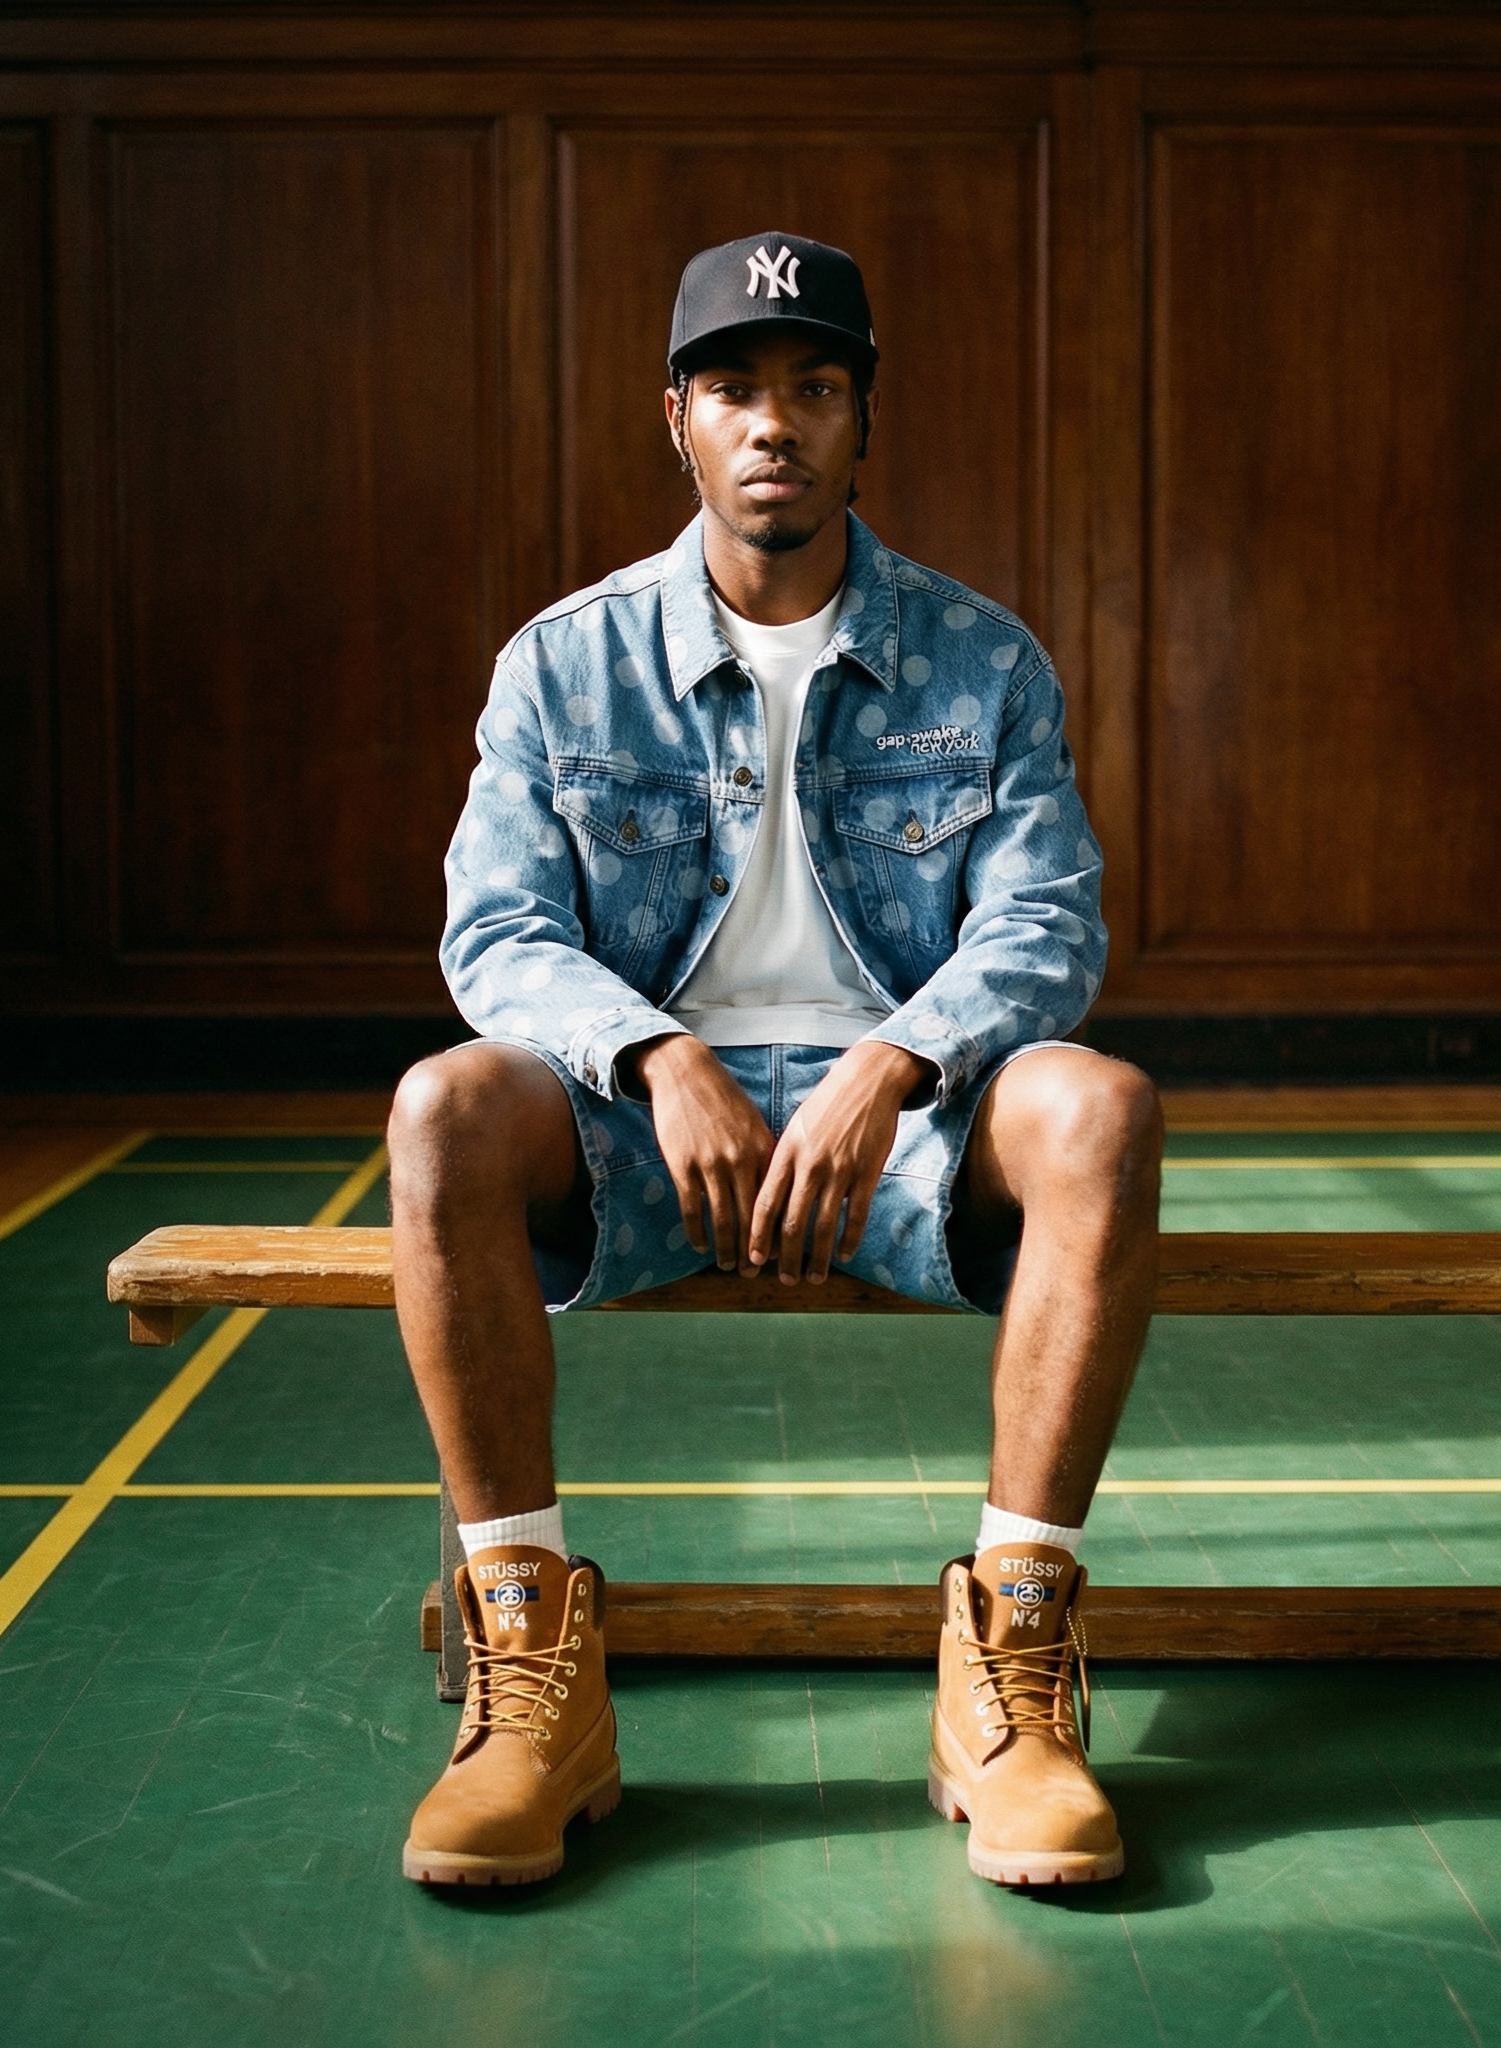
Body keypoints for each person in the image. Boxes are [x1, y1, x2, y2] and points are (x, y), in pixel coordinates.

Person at [388, 233, 1162, 1890]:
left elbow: (1048, 927)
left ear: (862, 420)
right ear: (676, 417)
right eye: (734, 388)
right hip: (636, 1130)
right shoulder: (565, 663)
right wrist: (656, 1053)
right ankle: (533, 1680)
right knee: (443, 1107)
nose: (774, 423)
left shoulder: (981, 658)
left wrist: (894, 1063)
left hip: (916, 1131)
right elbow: (495, 936)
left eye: (815, 387)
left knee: (1100, 1106)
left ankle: (1011, 1668)